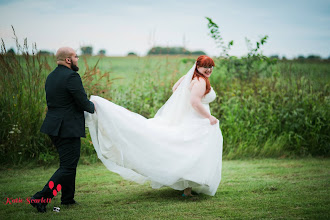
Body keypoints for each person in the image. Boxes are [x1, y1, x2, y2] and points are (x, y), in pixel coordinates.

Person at [85, 55, 223, 197]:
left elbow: (175, 88)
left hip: (191, 118)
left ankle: (187, 190)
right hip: (196, 120)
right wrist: (209, 117)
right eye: (205, 66)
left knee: (188, 151)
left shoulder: (191, 78)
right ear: (198, 67)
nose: (209, 69)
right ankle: (187, 189)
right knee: (190, 151)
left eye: (211, 66)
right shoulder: (200, 81)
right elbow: (195, 102)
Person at [30, 47, 95, 213]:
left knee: (68, 165)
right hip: (67, 128)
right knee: (67, 167)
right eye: (75, 56)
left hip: (53, 126)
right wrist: (96, 106)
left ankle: (67, 198)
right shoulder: (72, 76)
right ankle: (40, 198)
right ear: (68, 60)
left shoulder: (51, 76)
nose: (77, 59)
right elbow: (83, 103)